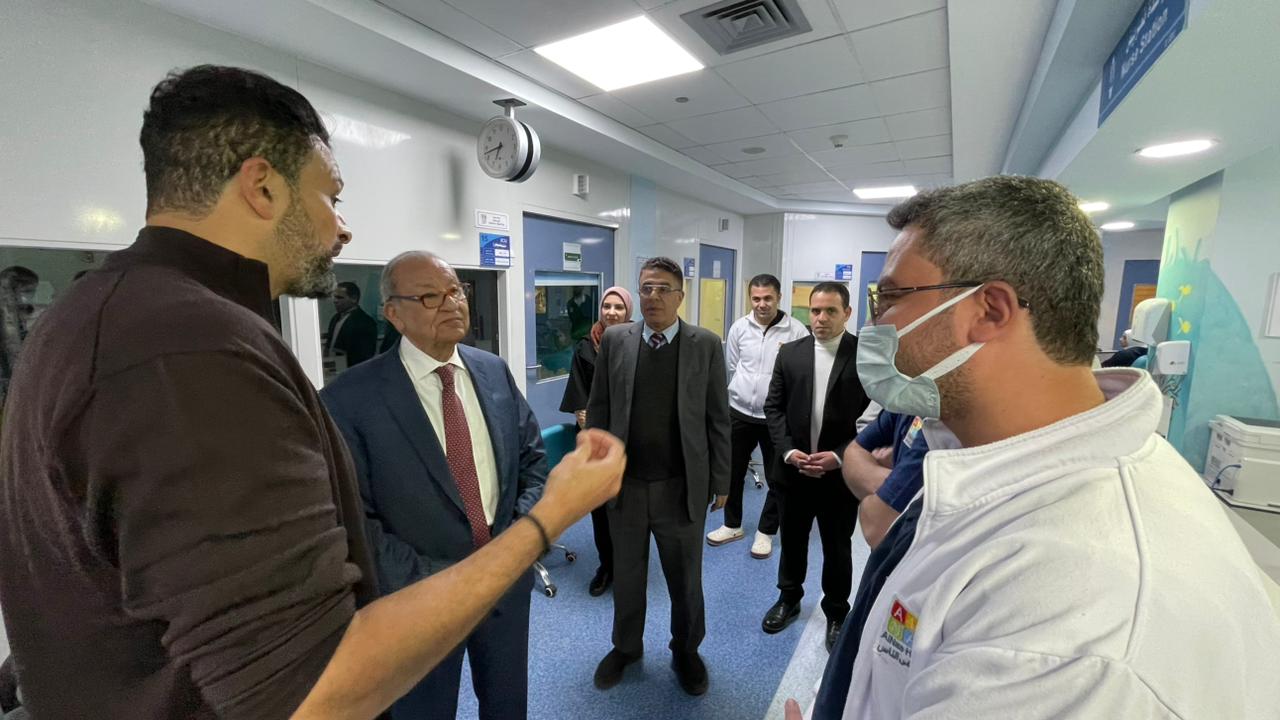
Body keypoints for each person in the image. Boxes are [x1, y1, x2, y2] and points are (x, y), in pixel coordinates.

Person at [0, 64, 625, 720]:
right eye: (331, 197)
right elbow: (315, 692)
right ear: (262, 187)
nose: (343, 229)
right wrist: (550, 516)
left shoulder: (101, 315)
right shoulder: (188, 351)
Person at [796, 175, 1280, 720]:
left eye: (890, 298)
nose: (876, 323)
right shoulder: (979, 453)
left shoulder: (1076, 617)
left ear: (990, 310)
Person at [321, 251, 545, 720]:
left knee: (507, 704)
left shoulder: (493, 371)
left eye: (455, 291)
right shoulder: (350, 399)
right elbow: (355, 518)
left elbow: (533, 462)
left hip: (505, 583)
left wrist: (517, 544)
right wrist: (440, 582)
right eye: (429, 297)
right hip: (418, 598)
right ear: (394, 314)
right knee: (424, 710)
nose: (451, 304)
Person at [585, 256, 731, 696]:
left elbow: (717, 418)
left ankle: (686, 650)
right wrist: (594, 472)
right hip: (626, 487)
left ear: (680, 296)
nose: (653, 296)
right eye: (646, 287)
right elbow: (600, 408)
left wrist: (722, 480)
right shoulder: (616, 340)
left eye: (663, 288)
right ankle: (626, 648)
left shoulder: (705, 345)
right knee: (627, 576)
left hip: (680, 487)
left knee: (685, 580)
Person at [762, 282, 870, 652]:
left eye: (830, 311)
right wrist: (789, 451)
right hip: (793, 471)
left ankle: (837, 611)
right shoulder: (790, 354)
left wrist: (839, 456)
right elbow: (773, 408)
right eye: (815, 311)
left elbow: (873, 417)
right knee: (792, 541)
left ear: (847, 313)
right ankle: (788, 598)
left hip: (839, 475)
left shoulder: (864, 357)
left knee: (837, 546)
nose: (821, 318)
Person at [707, 273, 809, 559]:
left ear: (779, 298)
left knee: (778, 477)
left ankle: (766, 531)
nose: (761, 304)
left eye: (767, 298)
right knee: (732, 473)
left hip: (776, 417)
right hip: (739, 411)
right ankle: (732, 525)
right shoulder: (739, 327)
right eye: (756, 298)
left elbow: (800, 375)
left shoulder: (796, 332)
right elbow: (733, 365)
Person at [559, 285, 634, 596]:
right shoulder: (585, 347)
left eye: (618, 307)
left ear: (628, 312)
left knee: (629, 507)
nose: (611, 312)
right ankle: (607, 566)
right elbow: (579, 398)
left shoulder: (641, 344)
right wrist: (588, 419)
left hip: (632, 437)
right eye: (607, 306)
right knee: (600, 508)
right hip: (595, 438)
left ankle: (629, 567)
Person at [841, 410, 929, 549]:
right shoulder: (904, 408)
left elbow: (875, 525)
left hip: (911, 552)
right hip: (886, 551)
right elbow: (852, 452)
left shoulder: (936, 426)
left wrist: (875, 495)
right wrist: (892, 482)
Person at [326, 280, 378, 367]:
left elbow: (364, 356)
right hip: (333, 367)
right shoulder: (335, 318)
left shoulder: (365, 322)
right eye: (334, 297)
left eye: (340, 297)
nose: (335, 301)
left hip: (352, 369)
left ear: (354, 299)